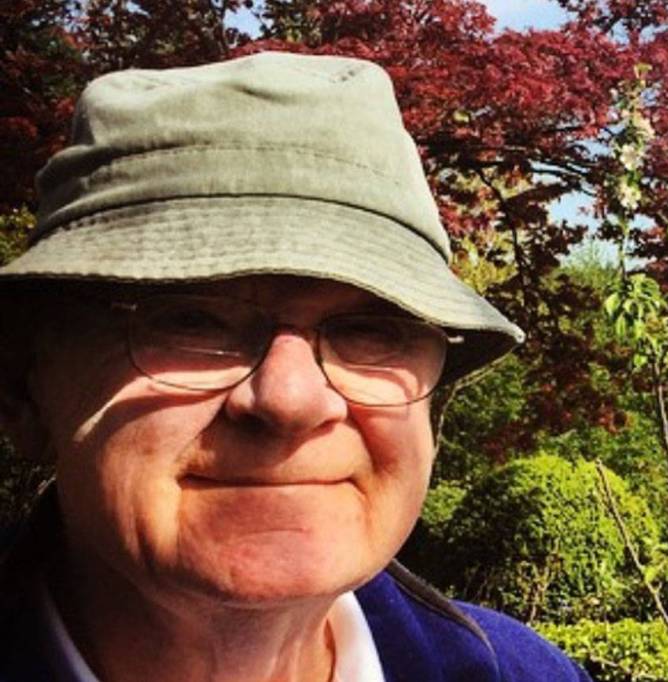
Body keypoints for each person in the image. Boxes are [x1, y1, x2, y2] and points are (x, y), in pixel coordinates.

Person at [0, 52, 592, 681]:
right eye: (191, 321)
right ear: (23, 392)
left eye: (371, 331)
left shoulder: (525, 673)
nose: (291, 399)